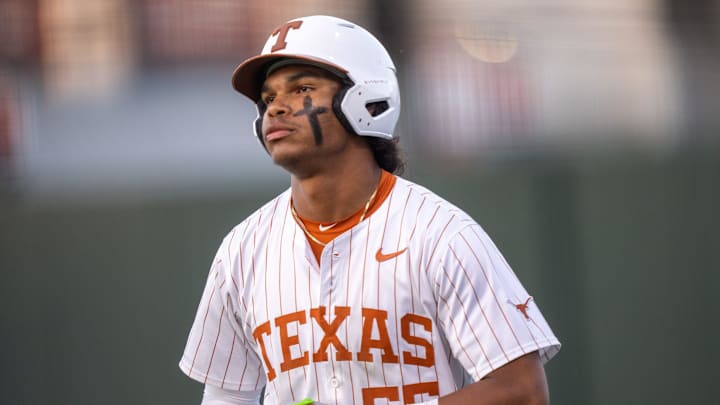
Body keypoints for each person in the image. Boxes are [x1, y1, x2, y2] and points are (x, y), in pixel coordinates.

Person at [179, 15, 560, 405]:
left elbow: (522, 392)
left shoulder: (440, 234)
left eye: (302, 88)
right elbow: (227, 397)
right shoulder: (241, 251)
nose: (276, 108)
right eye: (269, 98)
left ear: (366, 99)